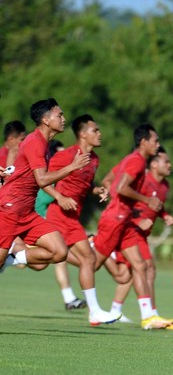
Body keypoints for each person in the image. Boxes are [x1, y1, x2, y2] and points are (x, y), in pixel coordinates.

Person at [91, 123, 173, 330]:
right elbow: (120, 187)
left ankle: (148, 316)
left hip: (125, 220)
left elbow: (114, 183)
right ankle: (72, 249)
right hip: (115, 218)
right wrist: (146, 200)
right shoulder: (136, 161)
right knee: (91, 264)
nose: (158, 144)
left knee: (140, 265)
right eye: (155, 140)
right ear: (143, 142)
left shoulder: (136, 162)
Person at [43, 114, 120, 326]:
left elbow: (85, 184)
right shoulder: (65, 156)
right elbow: (42, 180)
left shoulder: (94, 159)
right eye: (95, 130)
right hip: (59, 215)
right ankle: (94, 312)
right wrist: (60, 196)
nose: (100, 133)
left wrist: (98, 190)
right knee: (88, 259)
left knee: (80, 261)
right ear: (82, 134)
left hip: (72, 218)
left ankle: (16, 256)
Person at [0, 98, 91, 276]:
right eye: (60, 115)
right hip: (10, 209)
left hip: (26, 212)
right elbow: (41, 180)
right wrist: (72, 166)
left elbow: (23, 171)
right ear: (46, 120)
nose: (64, 119)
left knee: (59, 251)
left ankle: (11, 259)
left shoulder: (42, 143)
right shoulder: (35, 142)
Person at [106, 147, 173, 326]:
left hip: (141, 234)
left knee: (127, 273)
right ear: (153, 164)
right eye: (166, 161)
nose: (170, 165)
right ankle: (151, 314)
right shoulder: (143, 180)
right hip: (131, 230)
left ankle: (116, 310)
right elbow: (128, 203)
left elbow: (155, 205)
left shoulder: (164, 185)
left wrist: (164, 215)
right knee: (148, 268)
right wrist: (137, 220)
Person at [34, 139, 87, 311]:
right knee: (54, 259)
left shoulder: (58, 178)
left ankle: (69, 297)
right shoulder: (48, 180)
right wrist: (62, 196)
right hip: (37, 223)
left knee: (53, 260)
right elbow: (47, 200)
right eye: (61, 154)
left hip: (47, 222)